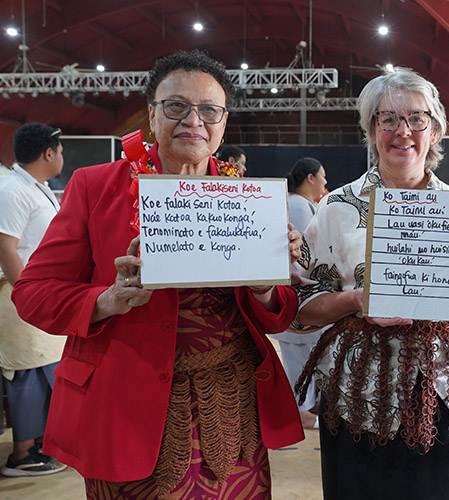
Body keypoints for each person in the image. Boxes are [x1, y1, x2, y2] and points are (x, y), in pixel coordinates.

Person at [12, 50, 305, 499]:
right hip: (126, 404)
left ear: (224, 122)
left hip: (231, 407)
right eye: (176, 106)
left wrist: (266, 286)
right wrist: (106, 300)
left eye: (209, 110)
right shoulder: (95, 187)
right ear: (151, 113)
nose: (194, 120)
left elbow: (277, 317)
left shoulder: (246, 199)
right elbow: (32, 292)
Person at [293, 67, 449, 500]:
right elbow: (301, 310)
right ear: (371, 130)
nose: (403, 131)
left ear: (434, 131)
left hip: (444, 399)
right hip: (359, 399)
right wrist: (357, 299)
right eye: (387, 118)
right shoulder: (338, 207)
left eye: (416, 118)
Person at [0, 122, 68, 476]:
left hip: (40, 292)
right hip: (18, 296)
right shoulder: (12, 189)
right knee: (26, 372)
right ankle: (21, 455)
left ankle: (40, 443)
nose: (62, 158)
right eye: (60, 152)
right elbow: (5, 246)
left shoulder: (35, 187)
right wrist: (25, 293)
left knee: (46, 370)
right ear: (48, 153)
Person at [274, 156, 327, 428]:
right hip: (297, 296)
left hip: (301, 296)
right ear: (310, 178)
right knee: (299, 358)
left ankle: (305, 406)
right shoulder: (298, 206)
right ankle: (301, 411)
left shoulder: (303, 204)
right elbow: (304, 257)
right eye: (322, 176)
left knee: (304, 356)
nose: (325, 182)